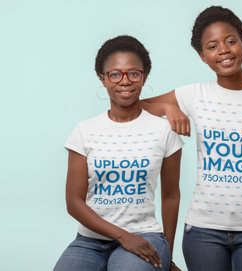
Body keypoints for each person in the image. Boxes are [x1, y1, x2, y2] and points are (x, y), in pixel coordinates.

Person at [141, 6, 242, 271]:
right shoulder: (195, 94)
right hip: (203, 232)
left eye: (231, 41)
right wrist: (169, 108)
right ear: (202, 56)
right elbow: (136, 107)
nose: (223, 50)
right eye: (212, 46)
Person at [54, 35, 184, 271]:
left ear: (144, 77)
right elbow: (74, 203)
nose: (125, 81)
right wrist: (123, 236)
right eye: (115, 74)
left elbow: (171, 197)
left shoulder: (164, 130)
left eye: (133, 73)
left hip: (146, 235)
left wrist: (167, 254)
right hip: (90, 241)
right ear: (103, 79)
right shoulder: (85, 131)